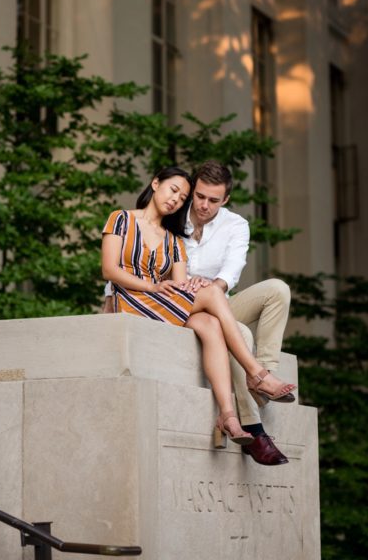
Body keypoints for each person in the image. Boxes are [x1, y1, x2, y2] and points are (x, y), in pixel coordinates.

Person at [101, 165, 294, 452]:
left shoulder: (174, 237)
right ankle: (256, 374)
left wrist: (193, 287)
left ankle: (228, 415)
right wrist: (156, 287)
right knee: (213, 296)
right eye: (174, 191)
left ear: (225, 199)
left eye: (181, 197)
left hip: (169, 303)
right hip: (135, 299)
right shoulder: (122, 219)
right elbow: (109, 269)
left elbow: (188, 282)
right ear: (155, 184)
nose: (177, 200)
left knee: (213, 322)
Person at [177, 161, 294, 467]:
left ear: (225, 199)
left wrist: (214, 285)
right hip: (185, 308)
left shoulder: (235, 225)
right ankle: (255, 430)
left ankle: (261, 381)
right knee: (239, 333)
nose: (204, 205)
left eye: (213, 200)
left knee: (277, 289)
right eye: (200, 196)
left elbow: (233, 268)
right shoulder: (174, 217)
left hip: (219, 301)